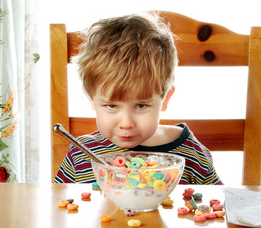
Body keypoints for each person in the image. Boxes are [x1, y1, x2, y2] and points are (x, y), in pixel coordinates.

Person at [53, 12, 223, 185]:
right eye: (111, 106)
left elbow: (223, 207)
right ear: (91, 99)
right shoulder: (80, 156)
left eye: (141, 105)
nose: (126, 123)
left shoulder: (192, 157)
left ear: (165, 99)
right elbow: (55, 207)